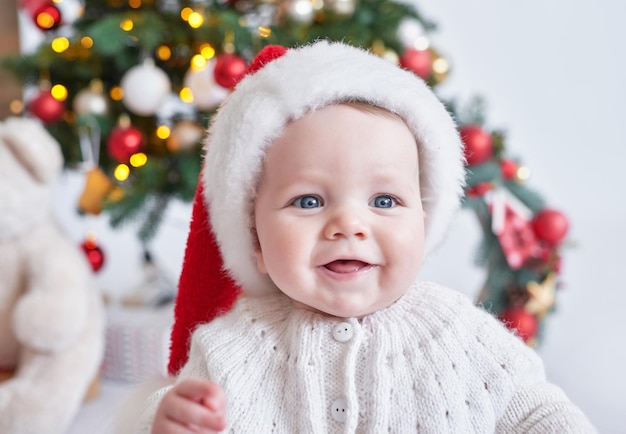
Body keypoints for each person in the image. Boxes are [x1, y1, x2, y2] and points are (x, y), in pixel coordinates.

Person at [138, 41, 595, 433]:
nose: (349, 226)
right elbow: (177, 415)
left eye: (383, 201)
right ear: (255, 240)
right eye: (309, 201)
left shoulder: (459, 331)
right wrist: (165, 422)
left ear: (424, 219)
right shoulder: (228, 351)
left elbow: (538, 412)